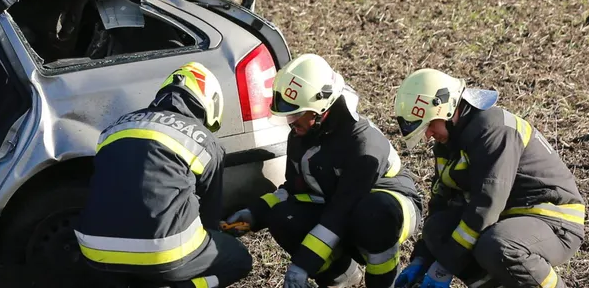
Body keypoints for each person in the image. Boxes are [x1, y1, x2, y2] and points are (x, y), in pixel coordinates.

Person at [226, 54, 423, 288]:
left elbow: (343, 210)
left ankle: (383, 283)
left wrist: (302, 266)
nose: (290, 122)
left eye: (296, 114)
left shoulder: (362, 144)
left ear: (321, 109)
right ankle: (342, 277)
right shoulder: (301, 136)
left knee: (373, 214)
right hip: (341, 210)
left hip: (387, 209)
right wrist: (254, 213)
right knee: (283, 217)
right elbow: (292, 189)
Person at [391, 69, 586, 288]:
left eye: (428, 125)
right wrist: (422, 259)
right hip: (503, 221)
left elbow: (486, 205)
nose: (427, 135)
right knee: (438, 229)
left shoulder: (493, 129)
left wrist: (444, 266)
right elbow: (442, 204)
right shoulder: (448, 144)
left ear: (444, 109)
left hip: (552, 219)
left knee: (498, 246)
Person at [75, 62, 253, 288]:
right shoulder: (204, 141)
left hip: (95, 250)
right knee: (238, 260)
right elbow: (209, 216)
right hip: (165, 255)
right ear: (210, 106)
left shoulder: (113, 128)